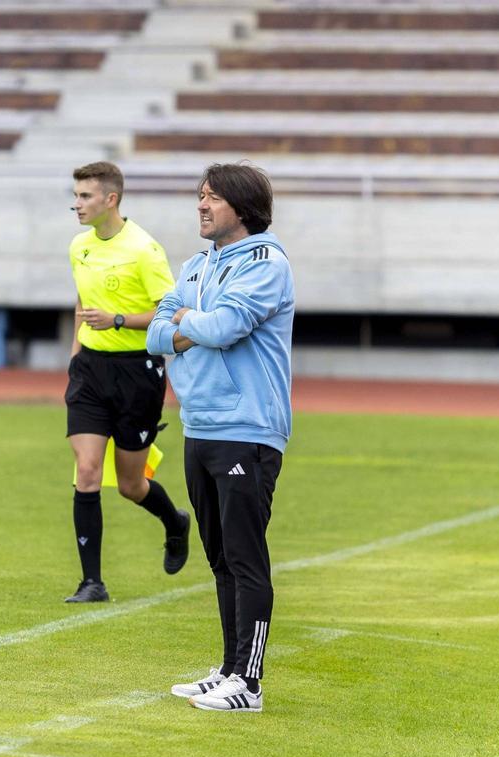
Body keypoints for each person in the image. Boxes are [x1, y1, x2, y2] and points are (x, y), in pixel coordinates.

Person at [147, 162, 294, 712]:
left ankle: (249, 684)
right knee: (220, 558)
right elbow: (156, 333)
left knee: (245, 556)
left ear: (242, 205)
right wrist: (192, 324)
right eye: (200, 196)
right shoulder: (196, 264)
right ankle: (230, 668)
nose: (201, 205)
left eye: (212, 197)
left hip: (247, 426)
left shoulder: (266, 262)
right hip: (200, 423)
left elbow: (227, 327)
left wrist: (186, 323)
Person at [63, 161, 191, 603]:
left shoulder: (144, 250)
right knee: (87, 471)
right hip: (89, 371)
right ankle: (92, 583)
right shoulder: (79, 246)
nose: (77, 204)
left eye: (85, 196)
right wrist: (75, 355)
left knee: (131, 484)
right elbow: (82, 301)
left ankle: (174, 522)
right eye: (76, 195)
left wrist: (117, 319)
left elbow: (169, 313)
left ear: (110, 199)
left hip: (137, 372)